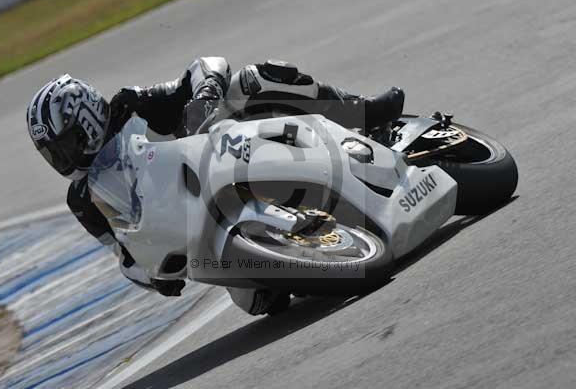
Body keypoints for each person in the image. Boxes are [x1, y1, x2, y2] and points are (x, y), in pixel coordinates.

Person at [26, 57, 405, 299]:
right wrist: (150, 274)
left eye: (63, 145)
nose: (60, 159)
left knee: (254, 79)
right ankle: (302, 250)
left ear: (86, 119)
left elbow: (206, 65)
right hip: (204, 232)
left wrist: (206, 91)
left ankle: (363, 114)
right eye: (52, 155)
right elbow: (121, 253)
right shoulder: (83, 200)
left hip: (233, 152)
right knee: (259, 304)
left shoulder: (131, 105)